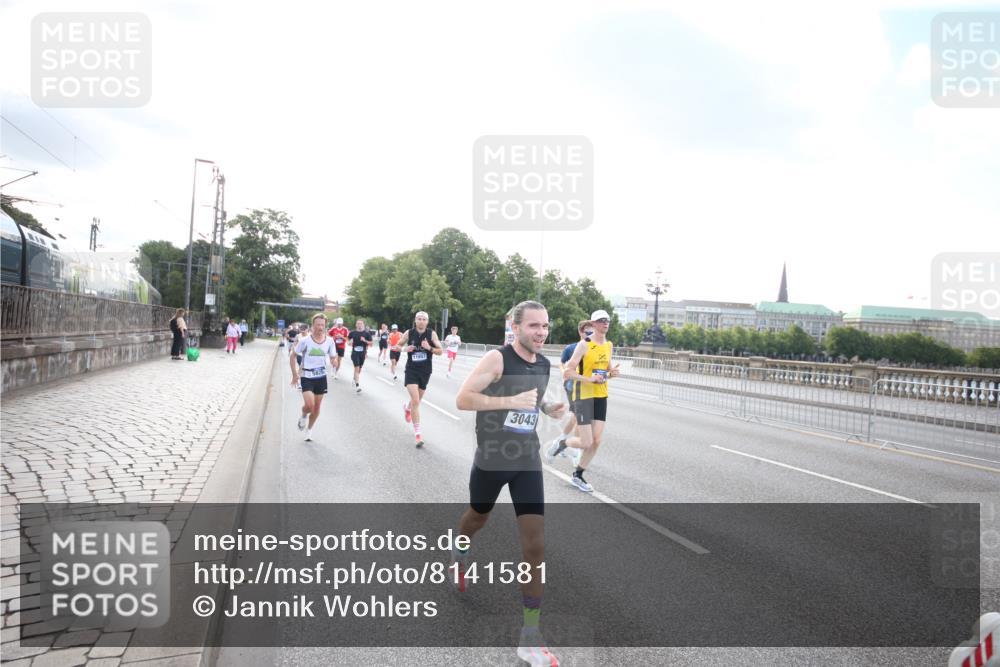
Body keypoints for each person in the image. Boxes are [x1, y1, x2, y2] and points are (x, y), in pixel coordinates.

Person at [451, 300, 565, 666]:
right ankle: (460, 547)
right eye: (534, 326)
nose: (541, 332)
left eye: (545, 326)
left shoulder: (545, 364)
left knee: (535, 545)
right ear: (516, 328)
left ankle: (529, 637)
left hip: (526, 460)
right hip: (492, 459)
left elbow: (534, 397)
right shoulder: (496, 360)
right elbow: (463, 399)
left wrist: (548, 408)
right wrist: (509, 401)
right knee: (477, 517)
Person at [559, 309, 621, 493]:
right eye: (601, 320)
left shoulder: (609, 345)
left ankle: (578, 475)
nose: (605, 323)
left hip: (601, 395)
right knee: (585, 443)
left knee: (596, 440)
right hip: (584, 395)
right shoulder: (583, 345)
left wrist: (612, 374)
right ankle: (563, 444)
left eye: (607, 320)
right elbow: (567, 372)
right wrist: (588, 379)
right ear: (593, 324)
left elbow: (607, 371)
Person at [546, 320, 594, 465]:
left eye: (593, 332)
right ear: (581, 332)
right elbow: (561, 363)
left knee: (578, 418)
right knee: (581, 418)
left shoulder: (595, 348)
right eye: (588, 332)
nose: (591, 334)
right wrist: (564, 374)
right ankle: (573, 450)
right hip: (573, 386)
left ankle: (561, 442)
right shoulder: (572, 348)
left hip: (588, 388)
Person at [391, 311, 443, 447]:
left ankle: (407, 408)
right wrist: (404, 349)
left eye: (424, 319)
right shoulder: (409, 333)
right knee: (416, 401)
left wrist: (429, 348)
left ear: (427, 321)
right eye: (419, 319)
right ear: (415, 320)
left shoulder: (431, 334)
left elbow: (440, 351)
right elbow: (396, 346)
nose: (421, 321)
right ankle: (418, 435)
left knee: (417, 401)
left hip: (425, 371)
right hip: (411, 370)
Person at [290, 314, 338, 442]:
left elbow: (333, 356)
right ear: (313, 326)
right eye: (318, 325)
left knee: (317, 408)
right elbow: (293, 355)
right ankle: (304, 414)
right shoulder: (305, 341)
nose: (320, 327)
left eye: (322, 325)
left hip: (321, 377)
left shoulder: (329, 341)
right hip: (307, 376)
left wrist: (334, 361)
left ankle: (309, 430)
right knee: (310, 405)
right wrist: (295, 374)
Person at [348, 318, 373, 393]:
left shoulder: (367, 334)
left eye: (360, 324)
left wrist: (364, 340)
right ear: (356, 325)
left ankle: (354, 378)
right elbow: (347, 339)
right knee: (357, 367)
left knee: (359, 369)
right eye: (358, 323)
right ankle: (357, 385)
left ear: (363, 325)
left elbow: (371, 343)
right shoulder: (352, 333)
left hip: (362, 353)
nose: (359, 325)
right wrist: (349, 342)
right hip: (354, 353)